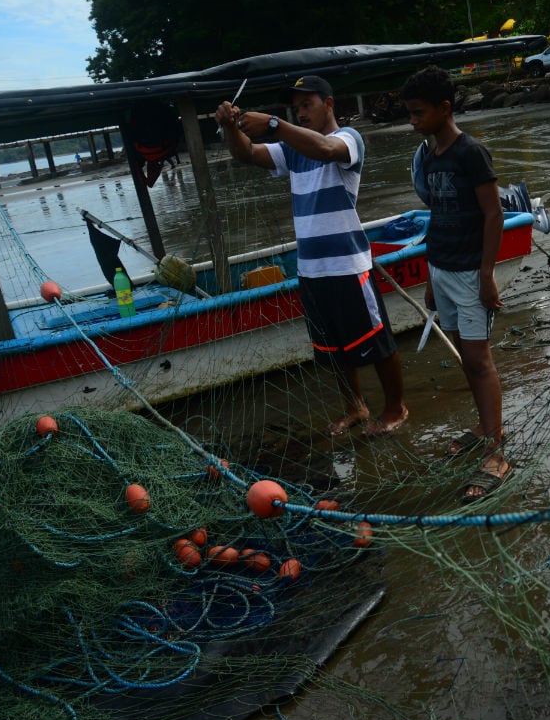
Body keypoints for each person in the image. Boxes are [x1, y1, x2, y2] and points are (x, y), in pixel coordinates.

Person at [214, 75, 408, 438]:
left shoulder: (349, 139)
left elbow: (325, 149)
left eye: (308, 105)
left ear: (329, 104)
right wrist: (230, 126)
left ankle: (396, 407)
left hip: (348, 265)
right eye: (296, 108)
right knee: (330, 346)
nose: (300, 113)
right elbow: (247, 153)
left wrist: (273, 124)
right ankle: (355, 406)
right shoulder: (291, 151)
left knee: (377, 341)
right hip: (311, 268)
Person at [401, 65, 509, 503]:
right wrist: (430, 275)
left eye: (419, 113)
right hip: (442, 269)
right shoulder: (428, 155)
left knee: (480, 360)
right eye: (410, 114)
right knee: (464, 354)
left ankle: (497, 450)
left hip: (469, 272)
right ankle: (485, 428)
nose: (413, 122)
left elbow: (494, 215)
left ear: (445, 108)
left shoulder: (471, 153)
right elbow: (438, 218)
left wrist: (486, 275)